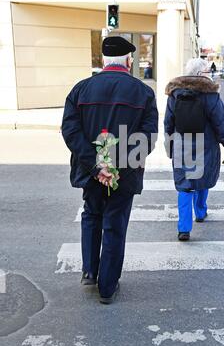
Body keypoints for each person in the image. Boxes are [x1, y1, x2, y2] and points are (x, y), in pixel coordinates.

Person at [62, 36, 158, 304]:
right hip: (124, 174)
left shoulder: (81, 90)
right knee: (115, 223)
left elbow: (71, 132)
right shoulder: (143, 92)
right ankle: (107, 287)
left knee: (92, 215)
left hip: (90, 171)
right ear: (128, 61)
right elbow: (147, 137)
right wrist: (116, 168)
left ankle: (90, 271)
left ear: (103, 61)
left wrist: (96, 167)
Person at [164, 58, 224, 241]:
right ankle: (200, 211)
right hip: (206, 147)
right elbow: (222, 126)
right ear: (200, 74)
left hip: (183, 147)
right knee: (202, 180)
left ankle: (183, 228)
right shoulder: (211, 96)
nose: (209, 74)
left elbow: (168, 124)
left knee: (184, 186)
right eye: (207, 71)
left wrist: (171, 146)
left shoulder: (174, 94)